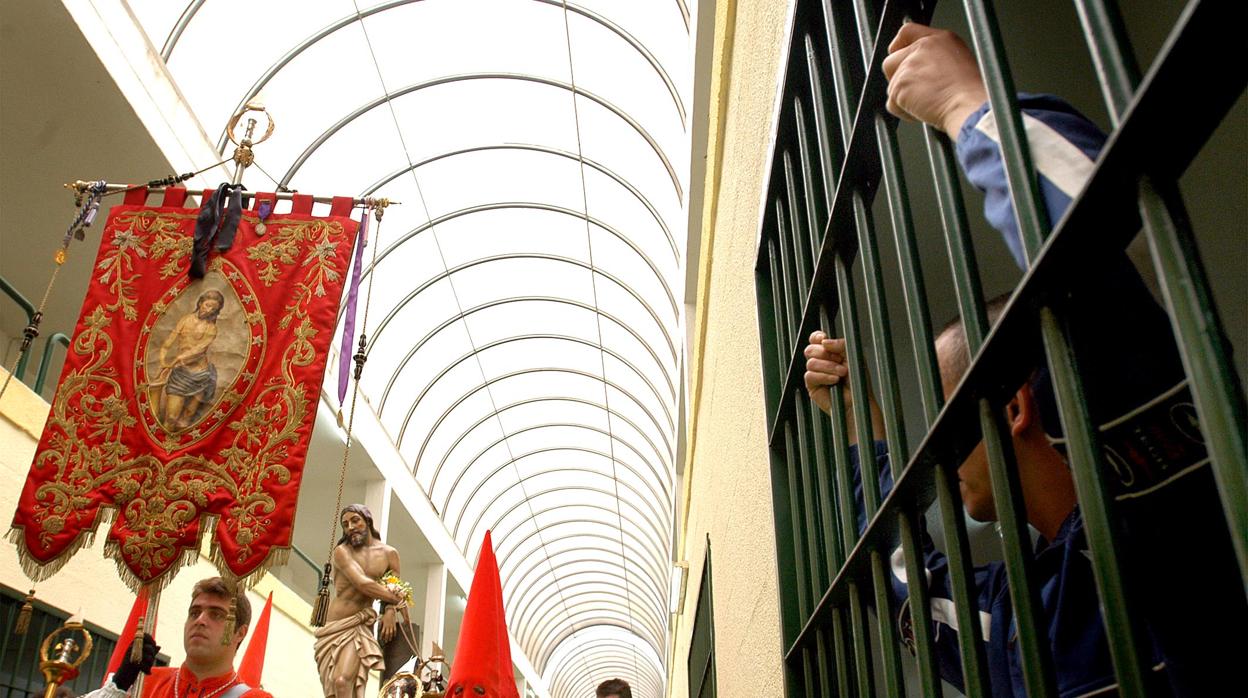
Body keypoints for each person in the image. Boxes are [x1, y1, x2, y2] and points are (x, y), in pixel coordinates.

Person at [804, 20, 1246, 696]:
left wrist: (974, 112)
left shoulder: (1172, 513)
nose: (937, 452)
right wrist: (862, 431)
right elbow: (904, 590)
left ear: (1012, 405)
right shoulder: (1020, 616)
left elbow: (1106, 253)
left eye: (947, 415)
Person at [80, 577, 270, 697]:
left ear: (240, 633)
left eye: (217, 614)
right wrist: (120, 683)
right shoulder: (143, 684)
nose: (201, 620)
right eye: (194, 613)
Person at [314, 504, 404, 698]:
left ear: (368, 521)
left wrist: (390, 611)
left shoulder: (389, 554)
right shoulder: (342, 551)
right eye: (345, 524)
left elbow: (393, 585)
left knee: (342, 681)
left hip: (360, 626)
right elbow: (362, 584)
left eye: (355, 520)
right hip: (334, 626)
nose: (351, 527)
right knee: (334, 688)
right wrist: (396, 600)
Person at [154, 289, 225, 430]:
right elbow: (168, 342)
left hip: (200, 376)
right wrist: (162, 361)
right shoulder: (186, 320)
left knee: (186, 419)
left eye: (213, 308)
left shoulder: (212, 329)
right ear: (200, 303)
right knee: (171, 417)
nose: (209, 310)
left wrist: (176, 360)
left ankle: (176, 448)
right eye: (207, 305)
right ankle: (160, 449)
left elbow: (198, 350)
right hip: (180, 374)